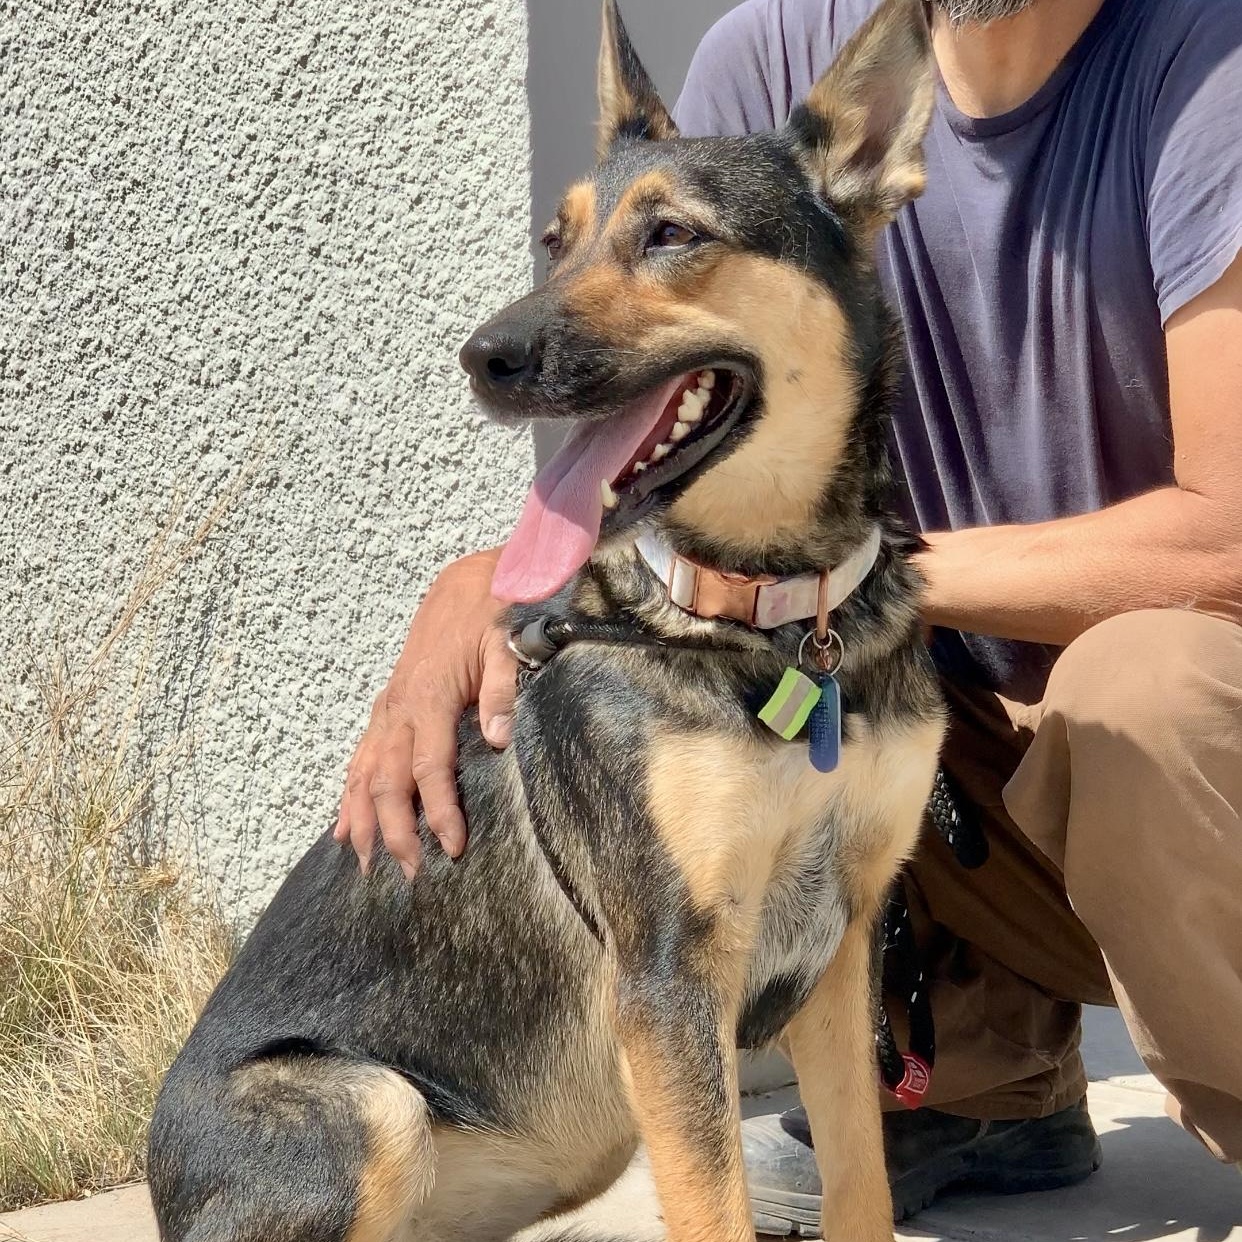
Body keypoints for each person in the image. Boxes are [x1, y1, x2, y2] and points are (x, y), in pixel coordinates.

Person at [336, 0, 1242, 1230]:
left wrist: (863, 573)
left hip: (1181, 769)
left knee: (1142, 683)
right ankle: (981, 1082)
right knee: (811, 688)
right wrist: (501, 575)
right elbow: (689, 364)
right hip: (968, 759)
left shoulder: (1208, 63)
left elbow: (1228, 539)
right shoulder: (767, 54)